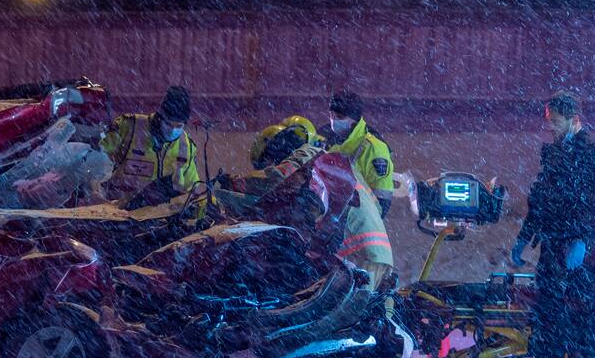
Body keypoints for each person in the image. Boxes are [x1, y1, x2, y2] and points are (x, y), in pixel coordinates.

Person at [511, 92, 595, 358]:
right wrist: (525, 236)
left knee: (581, 316)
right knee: (548, 314)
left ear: (573, 120)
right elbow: (541, 199)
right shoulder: (554, 153)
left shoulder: (592, 153)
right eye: (550, 122)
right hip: (553, 242)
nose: (551, 127)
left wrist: (582, 238)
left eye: (556, 122)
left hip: (578, 243)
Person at [234, 116, 393, 291]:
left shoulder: (310, 155)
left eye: (269, 162)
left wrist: (233, 183)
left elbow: (274, 179)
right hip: (377, 255)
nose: (272, 165)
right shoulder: (333, 166)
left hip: (353, 257)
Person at [101, 84, 200, 200]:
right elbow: (95, 157)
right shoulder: (129, 127)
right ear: (159, 117)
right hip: (116, 207)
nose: (173, 130)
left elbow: (191, 190)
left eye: (179, 126)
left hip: (161, 210)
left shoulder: (187, 146)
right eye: (168, 124)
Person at [326, 91, 394, 217]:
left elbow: (382, 201)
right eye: (331, 115)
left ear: (354, 120)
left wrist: (351, 218)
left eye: (339, 117)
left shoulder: (374, 149)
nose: (333, 121)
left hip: (358, 220)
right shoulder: (330, 139)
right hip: (332, 216)